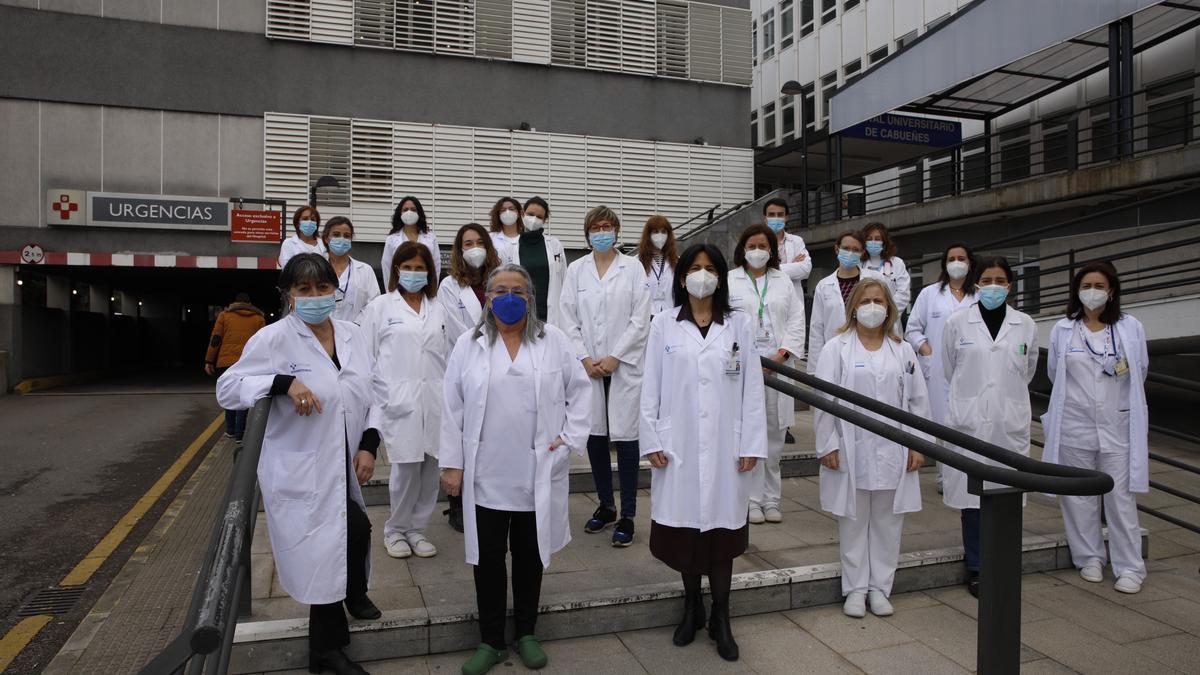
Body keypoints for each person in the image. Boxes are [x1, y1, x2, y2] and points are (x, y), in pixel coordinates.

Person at [216, 254, 378, 675]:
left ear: (334, 292)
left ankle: (353, 596)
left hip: (342, 460)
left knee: (356, 531)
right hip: (302, 466)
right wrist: (282, 383)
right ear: (288, 295)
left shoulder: (352, 334)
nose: (314, 297)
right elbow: (228, 388)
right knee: (324, 555)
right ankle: (325, 653)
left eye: (322, 288)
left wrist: (369, 444)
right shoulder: (272, 339)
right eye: (303, 290)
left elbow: (372, 390)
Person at [440, 264, 592, 675]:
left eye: (518, 291)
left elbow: (580, 391)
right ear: (487, 297)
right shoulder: (468, 344)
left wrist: (569, 439)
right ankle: (490, 640)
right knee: (487, 559)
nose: (509, 297)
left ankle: (526, 631)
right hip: (485, 472)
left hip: (535, 470)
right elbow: (451, 407)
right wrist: (452, 464)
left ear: (531, 298)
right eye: (500, 290)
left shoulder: (553, 340)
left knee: (529, 555)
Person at [640, 243, 767, 662]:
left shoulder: (739, 325)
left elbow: (752, 388)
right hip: (677, 445)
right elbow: (651, 385)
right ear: (681, 278)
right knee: (685, 531)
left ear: (720, 278)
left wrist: (750, 442)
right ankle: (691, 605)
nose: (702, 275)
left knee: (721, 532)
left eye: (710, 268)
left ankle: (721, 616)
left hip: (727, 446)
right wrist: (652, 439)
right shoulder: (663, 324)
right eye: (694, 268)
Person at [814, 279, 929, 619]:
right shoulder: (836, 348)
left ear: (890, 307)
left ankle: (880, 588)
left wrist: (917, 445)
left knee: (888, 523)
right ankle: (855, 589)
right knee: (852, 521)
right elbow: (823, 401)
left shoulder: (903, 349)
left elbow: (918, 401)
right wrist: (827, 444)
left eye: (879, 300)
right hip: (850, 448)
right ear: (853, 307)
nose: (872, 306)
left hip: (894, 448)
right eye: (866, 301)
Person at [1042, 262, 1149, 594]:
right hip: (1075, 424)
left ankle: (1130, 567)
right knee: (1078, 498)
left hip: (1117, 424)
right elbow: (1053, 373)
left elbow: (1139, 370)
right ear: (1076, 290)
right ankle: (1088, 557)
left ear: (1112, 290)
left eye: (1099, 285)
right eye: (1086, 285)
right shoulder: (1063, 329)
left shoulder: (1130, 327)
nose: (1092, 291)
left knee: (1120, 497)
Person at [942, 256, 1037, 598]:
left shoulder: (1025, 324)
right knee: (973, 497)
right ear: (976, 284)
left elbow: (1027, 369)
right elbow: (950, 368)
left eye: (1001, 280)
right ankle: (978, 566)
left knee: (1007, 494)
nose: (994, 286)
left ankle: (1004, 562)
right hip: (970, 419)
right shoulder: (956, 322)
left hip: (1008, 418)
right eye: (987, 279)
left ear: (1010, 286)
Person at [559, 206, 652, 547]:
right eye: (596, 227)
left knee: (626, 439)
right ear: (587, 233)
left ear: (616, 231)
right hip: (589, 368)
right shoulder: (576, 270)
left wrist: (615, 357)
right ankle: (606, 505)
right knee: (595, 437)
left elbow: (641, 320)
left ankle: (627, 514)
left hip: (623, 366)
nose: (602, 231)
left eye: (608, 226)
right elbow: (566, 317)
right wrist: (584, 357)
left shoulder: (633, 269)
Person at [360, 242, 447, 560]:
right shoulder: (381, 307)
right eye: (407, 267)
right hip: (397, 400)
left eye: (419, 267)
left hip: (435, 399)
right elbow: (365, 357)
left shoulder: (439, 307)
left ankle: (416, 529)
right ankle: (395, 530)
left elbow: (449, 354)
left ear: (429, 271)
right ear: (396, 270)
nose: (413, 272)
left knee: (430, 469)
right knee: (405, 470)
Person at [727, 224, 806, 525]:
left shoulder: (782, 279)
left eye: (763, 246)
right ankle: (751, 500)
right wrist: (746, 358)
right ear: (743, 249)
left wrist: (781, 355)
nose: (757, 251)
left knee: (774, 434)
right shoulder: (730, 280)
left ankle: (771, 499)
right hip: (744, 367)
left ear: (771, 250)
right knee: (748, 432)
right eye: (752, 245)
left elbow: (797, 320)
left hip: (777, 365)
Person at [435, 224, 502, 534]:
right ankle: (458, 504)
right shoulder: (450, 285)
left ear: (488, 245)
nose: (473, 247)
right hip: (465, 365)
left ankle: (487, 498)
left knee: (491, 434)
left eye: (478, 242)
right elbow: (456, 327)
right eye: (467, 243)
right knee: (463, 435)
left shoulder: (502, 279)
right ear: (459, 250)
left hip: (501, 366)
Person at [906, 243, 977, 496]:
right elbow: (912, 329)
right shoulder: (930, 294)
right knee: (943, 423)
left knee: (968, 421)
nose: (956, 262)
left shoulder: (979, 295)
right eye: (952, 258)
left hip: (972, 369)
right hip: (937, 367)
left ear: (970, 262)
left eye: (961, 258)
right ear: (944, 263)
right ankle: (945, 475)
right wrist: (927, 351)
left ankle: (966, 472)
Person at [807, 230, 882, 375]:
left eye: (856, 250)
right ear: (837, 249)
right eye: (846, 248)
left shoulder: (875, 280)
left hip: (868, 351)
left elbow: (887, 317)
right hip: (834, 354)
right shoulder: (824, 286)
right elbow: (817, 328)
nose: (850, 253)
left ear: (862, 253)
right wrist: (814, 369)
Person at [204, 293, 266, 443]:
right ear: (249, 303)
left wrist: (209, 361)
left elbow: (216, 339)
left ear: (234, 302)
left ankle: (230, 430)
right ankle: (240, 434)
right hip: (248, 362)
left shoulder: (224, 316)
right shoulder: (259, 318)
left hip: (226, 362)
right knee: (243, 396)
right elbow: (264, 343)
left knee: (230, 394)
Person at [508, 197, 567, 325]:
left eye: (539, 217)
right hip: (521, 316)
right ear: (522, 214)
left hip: (550, 316)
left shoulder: (555, 245)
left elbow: (564, 281)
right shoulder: (510, 247)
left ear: (545, 220)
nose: (534, 219)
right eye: (530, 214)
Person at [323, 217, 382, 322]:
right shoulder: (317, 269)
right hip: (322, 331)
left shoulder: (365, 270)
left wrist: (356, 325)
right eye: (336, 235)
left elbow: (374, 304)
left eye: (346, 236)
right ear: (326, 239)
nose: (342, 239)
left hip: (356, 331)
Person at [382, 196, 440, 289]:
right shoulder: (391, 239)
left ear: (419, 213)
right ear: (400, 214)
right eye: (405, 210)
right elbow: (387, 268)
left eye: (413, 209)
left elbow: (436, 267)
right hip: (399, 288)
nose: (409, 212)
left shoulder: (431, 238)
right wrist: (390, 292)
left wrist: (432, 290)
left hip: (424, 287)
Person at [762, 197, 812, 297]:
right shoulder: (757, 243)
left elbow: (806, 269)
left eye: (780, 215)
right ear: (765, 218)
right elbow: (755, 271)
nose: (776, 218)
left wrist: (769, 269)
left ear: (786, 217)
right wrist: (793, 265)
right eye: (771, 215)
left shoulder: (796, 241)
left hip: (791, 299)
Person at [861, 222, 912, 313]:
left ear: (884, 242)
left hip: (890, 318)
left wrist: (886, 312)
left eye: (877, 239)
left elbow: (903, 293)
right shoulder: (858, 264)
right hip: (863, 316)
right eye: (869, 239)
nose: (873, 242)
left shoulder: (897, 263)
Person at [638, 215, 679, 316]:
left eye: (664, 232)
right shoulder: (637, 262)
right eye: (655, 232)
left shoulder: (678, 262)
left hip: (671, 316)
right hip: (645, 317)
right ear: (648, 235)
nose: (660, 235)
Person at [488, 196, 524, 264]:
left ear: (519, 213)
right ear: (498, 215)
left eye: (511, 209)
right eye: (503, 210)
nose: (507, 212)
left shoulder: (527, 237)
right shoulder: (490, 238)